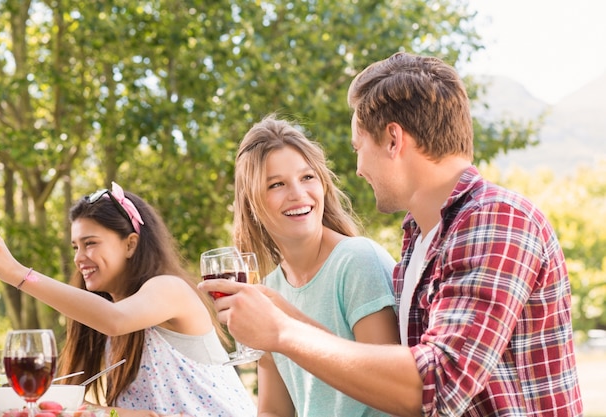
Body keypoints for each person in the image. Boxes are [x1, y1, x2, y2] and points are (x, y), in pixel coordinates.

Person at [199, 52, 584, 416]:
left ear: (393, 140)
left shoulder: (496, 219)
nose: (358, 168)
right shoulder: (421, 241)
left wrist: (283, 332)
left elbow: (437, 383)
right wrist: (283, 317)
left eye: (358, 147)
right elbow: (380, 368)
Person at [0, 182, 256, 417]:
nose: (79, 258)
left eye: (90, 243)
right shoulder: (105, 316)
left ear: (130, 244)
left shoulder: (170, 289)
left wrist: (18, 274)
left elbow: (115, 320)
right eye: (75, 247)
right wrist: (66, 407)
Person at [232, 115, 399, 416]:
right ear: (251, 204)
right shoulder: (269, 289)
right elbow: (274, 410)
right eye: (277, 184)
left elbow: (392, 392)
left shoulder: (357, 261)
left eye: (307, 177)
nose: (298, 193)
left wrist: (285, 327)